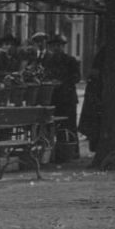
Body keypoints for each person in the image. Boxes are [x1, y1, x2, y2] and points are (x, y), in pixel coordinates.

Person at [42, 33, 82, 164]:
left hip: (67, 98)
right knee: (53, 126)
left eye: (59, 45)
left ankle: (72, 152)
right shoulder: (46, 61)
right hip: (53, 98)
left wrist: (63, 82)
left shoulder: (71, 60)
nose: (57, 48)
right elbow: (43, 76)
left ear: (63, 47)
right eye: (54, 46)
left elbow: (77, 77)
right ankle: (56, 153)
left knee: (69, 126)